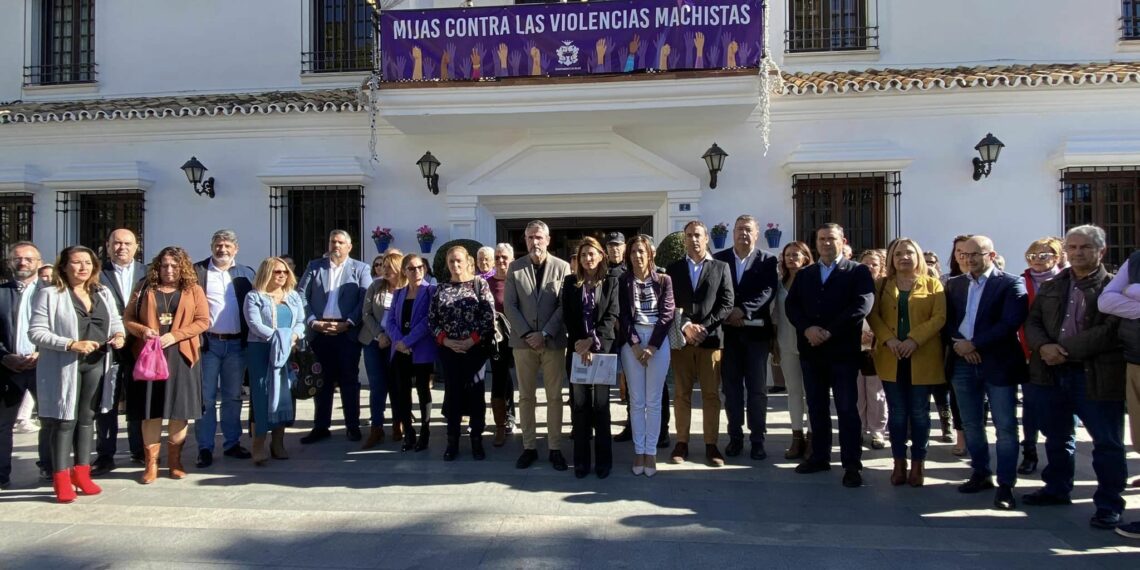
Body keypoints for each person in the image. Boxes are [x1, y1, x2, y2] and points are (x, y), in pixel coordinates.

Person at [1022, 225, 1126, 530]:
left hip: (1094, 375)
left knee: (1106, 442)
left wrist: (1063, 350)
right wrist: (1043, 346)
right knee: (1057, 436)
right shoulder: (1053, 285)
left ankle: (1109, 504)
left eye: (1085, 247)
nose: (1078, 252)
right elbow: (1033, 321)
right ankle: (1057, 488)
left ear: (1101, 251)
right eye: (1073, 247)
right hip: (1051, 373)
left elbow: (1110, 330)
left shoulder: (1112, 287)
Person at [28, 245, 126, 502]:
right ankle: (61, 478)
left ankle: (82, 474)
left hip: (96, 362)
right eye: (76, 262)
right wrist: (70, 344)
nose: (83, 267)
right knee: (64, 421)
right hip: (64, 366)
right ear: (64, 266)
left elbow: (115, 320)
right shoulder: (50, 294)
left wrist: (119, 335)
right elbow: (36, 332)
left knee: (86, 419)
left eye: (88, 262)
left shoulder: (101, 292)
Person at [785, 223, 875, 488]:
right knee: (816, 406)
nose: (825, 243)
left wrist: (829, 331)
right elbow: (792, 306)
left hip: (843, 352)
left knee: (846, 409)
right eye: (821, 239)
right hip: (811, 351)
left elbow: (862, 304)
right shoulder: (806, 274)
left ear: (842, 241)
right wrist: (808, 328)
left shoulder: (857, 271)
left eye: (831, 238)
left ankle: (851, 465)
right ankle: (819, 457)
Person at [943, 235, 1028, 510]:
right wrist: (962, 345)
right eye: (964, 254)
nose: (969, 259)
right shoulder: (954, 284)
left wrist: (976, 343)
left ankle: (1006, 485)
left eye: (975, 254)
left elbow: (1009, 323)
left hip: (998, 363)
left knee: (1005, 426)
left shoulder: (1010, 283)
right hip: (962, 361)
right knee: (971, 423)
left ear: (991, 255)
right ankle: (980, 473)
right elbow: (947, 320)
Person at [123, 246, 210, 484]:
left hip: (181, 356)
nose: (169, 270)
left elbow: (203, 321)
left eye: (174, 265)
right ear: (157, 267)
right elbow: (128, 318)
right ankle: (151, 464)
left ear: (183, 267)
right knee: (150, 412)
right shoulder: (144, 287)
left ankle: (175, 462)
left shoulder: (194, 290)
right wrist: (143, 331)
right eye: (164, 265)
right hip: (149, 357)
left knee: (179, 412)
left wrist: (176, 335)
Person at [867, 238, 946, 487]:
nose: (904, 257)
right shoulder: (881, 285)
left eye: (909, 253)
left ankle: (918, 464)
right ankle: (898, 463)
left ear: (918, 256)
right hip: (891, 357)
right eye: (898, 253)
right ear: (891, 258)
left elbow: (939, 317)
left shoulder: (933, 284)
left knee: (920, 413)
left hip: (921, 356)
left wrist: (914, 339)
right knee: (898, 413)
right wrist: (889, 339)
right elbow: (873, 315)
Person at [504, 220, 572, 471]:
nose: (535, 242)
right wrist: (527, 333)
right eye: (530, 237)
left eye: (539, 237)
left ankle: (555, 448)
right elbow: (510, 305)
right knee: (525, 397)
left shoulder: (562, 267)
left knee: (554, 396)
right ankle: (529, 447)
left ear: (548, 240)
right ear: (525, 240)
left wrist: (544, 333)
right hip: (523, 344)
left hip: (552, 341)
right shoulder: (515, 268)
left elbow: (564, 305)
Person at [665, 220, 734, 467]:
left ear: (706, 238)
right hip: (682, 341)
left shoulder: (721, 267)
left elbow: (727, 302)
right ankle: (681, 442)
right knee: (681, 394)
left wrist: (704, 327)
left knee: (711, 395)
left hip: (711, 341)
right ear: (684, 239)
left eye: (697, 235)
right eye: (689, 235)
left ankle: (711, 444)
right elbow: (669, 303)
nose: (693, 239)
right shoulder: (673, 269)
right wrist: (686, 326)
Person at [713, 215, 777, 460]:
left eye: (748, 230)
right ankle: (735, 437)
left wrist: (744, 310)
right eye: (740, 229)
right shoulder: (720, 259)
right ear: (733, 233)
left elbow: (767, 291)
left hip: (757, 335)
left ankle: (758, 439)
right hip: (728, 335)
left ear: (757, 234)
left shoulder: (767, 260)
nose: (744, 234)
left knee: (757, 390)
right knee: (731, 389)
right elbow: (716, 291)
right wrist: (729, 313)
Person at [297, 230, 371, 444]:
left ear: (349, 247)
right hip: (319, 332)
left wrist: (349, 322)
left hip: (346, 333)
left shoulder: (361, 268)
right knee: (322, 381)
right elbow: (301, 294)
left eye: (340, 242)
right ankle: (321, 427)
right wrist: (313, 321)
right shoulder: (315, 266)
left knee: (349, 381)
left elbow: (365, 298)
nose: (336, 245)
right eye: (332, 242)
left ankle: (352, 426)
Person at [192, 229, 256, 467]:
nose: (222, 249)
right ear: (212, 247)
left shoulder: (246, 273)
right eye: (218, 245)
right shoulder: (198, 272)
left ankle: (231, 443)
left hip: (237, 345)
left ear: (235, 249)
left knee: (233, 397)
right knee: (206, 398)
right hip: (208, 344)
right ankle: (205, 447)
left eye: (227, 246)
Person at [429, 246, 495, 461]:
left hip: (475, 350)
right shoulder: (441, 288)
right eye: (451, 261)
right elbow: (432, 320)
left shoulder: (479, 284)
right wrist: (446, 340)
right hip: (449, 351)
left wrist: (470, 340)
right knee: (453, 394)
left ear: (468, 262)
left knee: (476, 395)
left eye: (459, 261)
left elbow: (489, 317)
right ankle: (452, 440)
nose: (455, 265)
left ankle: (476, 439)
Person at [562, 237, 619, 478]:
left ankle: (604, 461)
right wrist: (581, 344)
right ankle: (581, 461)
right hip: (577, 352)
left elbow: (612, 315)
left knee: (602, 406)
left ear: (600, 255)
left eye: (591, 254)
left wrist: (592, 343)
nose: (587, 258)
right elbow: (568, 315)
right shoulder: (570, 282)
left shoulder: (612, 282)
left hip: (602, 351)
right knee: (580, 406)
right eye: (583, 255)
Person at [617, 235, 674, 477]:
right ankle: (638, 451)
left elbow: (668, 314)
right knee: (636, 401)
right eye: (633, 252)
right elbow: (622, 315)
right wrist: (635, 345)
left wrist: (652, 346)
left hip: (657, 341)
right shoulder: (624, 281)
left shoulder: (664, 280)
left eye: (641, 251)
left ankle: (651, 452)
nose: (637, 256)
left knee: (654, 401)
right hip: (633, 342)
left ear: (650, 253)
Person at [91, 228, 146, 475]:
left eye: (127, 243)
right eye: (116, 243)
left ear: (136, 247)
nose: (121, 247)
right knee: (107, 401)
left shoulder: (147, 273)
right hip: (107, 347)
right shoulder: (96, 273)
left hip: (138, 346)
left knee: (137, 399)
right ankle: (105, 454)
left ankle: (138, 449)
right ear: (108, 245)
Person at [243, 257, 306, 465]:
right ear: (266, 273)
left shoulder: (293, 296)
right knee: (262, 395)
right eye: (277, 271)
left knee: (284, 394)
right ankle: (258, 444)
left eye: (285, 272)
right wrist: (280, 338)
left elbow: (300, 321)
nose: (282, 275)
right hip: (261, 350)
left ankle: (278, 443)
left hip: (287, 350)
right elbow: (254, 324)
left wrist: (293, 336)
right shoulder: (254, 296)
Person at [0, 242, 53, 489]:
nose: (23, 262)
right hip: (7, 367)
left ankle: (49, 466)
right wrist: (4, 356)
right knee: (3, 424)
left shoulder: (52, 293)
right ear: (10, 262)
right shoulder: (2, 293)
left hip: (44, 366)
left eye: (29, 259)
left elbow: (62, 328)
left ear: (39, 263)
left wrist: (42, 353)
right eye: (18, 258)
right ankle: (1, 473)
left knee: (49, 421)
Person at [1097, 247, 1140, 539]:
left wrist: (1132, 295)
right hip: (1136, 359)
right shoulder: (1136, 259)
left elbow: (1119, 298)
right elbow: (1106, 301)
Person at [1014, 237, 1062, 476]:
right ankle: (1029, 452)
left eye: (1043, 256)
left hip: (1062, 352)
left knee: (1062, 410)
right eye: (1031, 256)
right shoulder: (1021, 282)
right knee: (1031, 405)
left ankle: (1060, 458)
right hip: (1030, 351)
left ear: (1056, 257)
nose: (1036, 260)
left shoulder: (1066, 281)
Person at [386, 254, 437, 452]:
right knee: (402, 392)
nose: (417, 271)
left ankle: (425, 432)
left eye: (420, 267)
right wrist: (399, 341)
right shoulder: (399, 293)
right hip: (400, 350)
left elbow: (428, 321)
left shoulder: (431, 291)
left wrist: (407, 341)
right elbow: (390, 320)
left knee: (423, 390)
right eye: (412, 268)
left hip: (420, 348)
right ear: (404, 271)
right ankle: (408, 431)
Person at [359, 251, 405, 449]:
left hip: (396, 343)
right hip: (373, 341)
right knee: (377, 385)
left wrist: (392, 338)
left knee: (396, 384)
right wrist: (380, 334)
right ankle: (376, 427)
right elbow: (366, 313)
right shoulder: (375, 286)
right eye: (383, 266)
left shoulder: (407, 289)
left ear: (399, 269)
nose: (384, 271)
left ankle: (398, 423)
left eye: (389, 267)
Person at [773, 241, 813, 460]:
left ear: (805, 257)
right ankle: (797, 437)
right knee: (794, 391)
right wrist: (774, 344)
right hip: (786, 343)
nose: (791, 258)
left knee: (812, 393)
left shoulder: (813, 280)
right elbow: (775, 316)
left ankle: (813, 438)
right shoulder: (779, 284)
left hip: (810, 344)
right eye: (787, 255)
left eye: (796, 254)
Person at [855, 249, 889, 450]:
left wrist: (876, 335)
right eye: (865, 264)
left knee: (876, 393)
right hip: (855, 346)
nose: (870, 267)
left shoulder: (885, 289)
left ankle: (877, 431)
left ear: (881, 267)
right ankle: (857, 429)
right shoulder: (852, 286)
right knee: (857, 392)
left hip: (878, 347)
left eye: (874, 264)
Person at [487, 243, 516, 447]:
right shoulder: (485, 283)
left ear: (512, 259)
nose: (500, 261)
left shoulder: (518, 281)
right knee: (499, 377)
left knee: (512, 378)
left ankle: (511, 415)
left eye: (504, 257)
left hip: (519, 337)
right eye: (497, 257)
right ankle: (501, 424)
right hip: (496, 340)